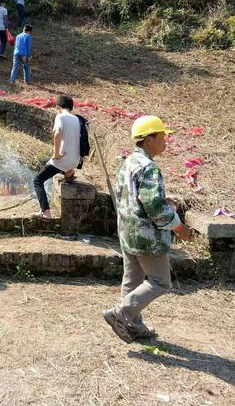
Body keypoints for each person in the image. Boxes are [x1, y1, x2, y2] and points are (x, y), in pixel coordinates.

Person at [103, 116, 191, 343]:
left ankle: (133, 325)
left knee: (132, 280)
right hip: (147, 237)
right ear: (149, 140)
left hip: (127, 233)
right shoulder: (149, 167)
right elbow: (154, 207)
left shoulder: (129, 162)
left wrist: (162, 198)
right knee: (161, 282)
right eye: (162, 136)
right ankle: (122, 314)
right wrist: (179, 226)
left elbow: (134, 196)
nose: (166, 141)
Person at [33, 95, 80, 220]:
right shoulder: (76, 119)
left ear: (58, 107)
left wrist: (56, 154)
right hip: (75, 160)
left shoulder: (60, 116)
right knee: (44, 161)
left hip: (62, 160)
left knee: (37, 181)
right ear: (71, 107)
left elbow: (57, 133)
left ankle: (45, 212)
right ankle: (69, 173)